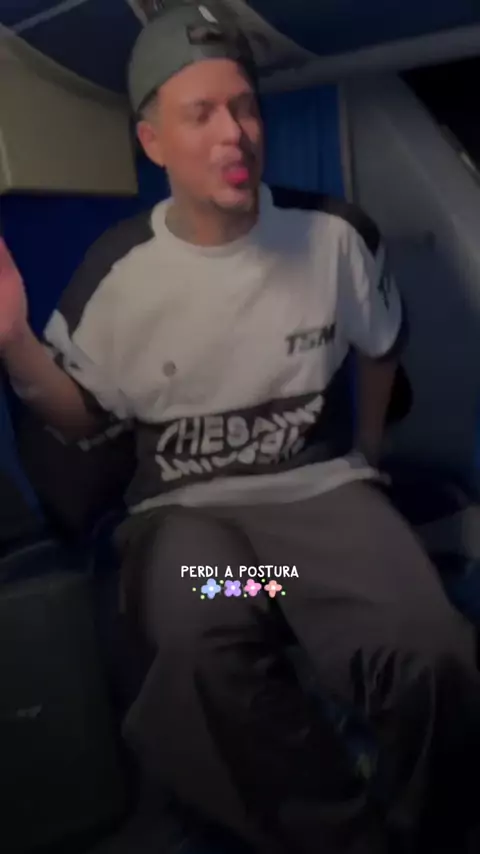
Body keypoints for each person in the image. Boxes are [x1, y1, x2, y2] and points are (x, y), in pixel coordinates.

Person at [0, 4, 479, 853]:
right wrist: (13, 343)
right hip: (192, 519)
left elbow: (380, 348)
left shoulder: (334, 238)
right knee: (196, 644)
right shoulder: (117, 276)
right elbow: (80, 415)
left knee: (433, 651)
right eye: (202, 114)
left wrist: (368, 458)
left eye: (245, 106)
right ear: (153, 142)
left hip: (319, 502)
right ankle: (337, 833)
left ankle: (428, 824)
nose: (235, 133)